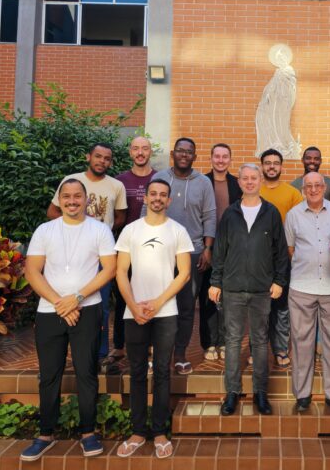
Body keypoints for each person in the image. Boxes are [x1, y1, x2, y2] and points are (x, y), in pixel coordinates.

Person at [21, 178, 116, 462]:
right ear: (59, 200)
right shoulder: (44, 230)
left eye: (78, 196)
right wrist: (60, 303)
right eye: (67, 196)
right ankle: (45, 434)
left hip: (87, 309)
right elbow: (32, 271)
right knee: (49, 375)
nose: (72, 201)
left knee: (87, 372)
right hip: (50, 311)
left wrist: (76, 298)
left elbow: (109, 270)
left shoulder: (100, 230)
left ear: (86, 200)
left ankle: (88, 432)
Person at [114, 180, 193, 460]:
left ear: (169, 201)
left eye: (163, 195)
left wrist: (158, 302)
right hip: (133, 312)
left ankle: (159, 432)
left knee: (161, 371)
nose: (158, 199)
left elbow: (183, 273)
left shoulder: (178, 231)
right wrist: (133, 305)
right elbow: (121, 271)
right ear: (145, 198)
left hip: (166, 313)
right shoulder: (130, 230)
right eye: (153, 194)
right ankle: (137, 431)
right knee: (136, 372)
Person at [209, 164, 289, 417]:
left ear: (260, 180)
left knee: (259, 341)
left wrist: (279, 281)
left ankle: (260, 393)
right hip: (232, 288)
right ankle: (232, 392)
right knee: (232, 342)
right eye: (245, 178)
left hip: (261, 290)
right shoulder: (230, 213)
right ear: (240, 182)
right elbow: (219, 250)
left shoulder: (271, 213)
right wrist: (216, 281)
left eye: (254, 178)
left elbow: (281, 251)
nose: (250, 182)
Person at [47, 143, 127, 366]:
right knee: (66, 299)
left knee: (99, 306)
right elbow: (53, 211)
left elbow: (120, 217)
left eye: (107, 158)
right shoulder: (71, 180)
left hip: (101, 255)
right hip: (70, 252)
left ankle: (98, 354)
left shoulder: (116, 186)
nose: (102, 161)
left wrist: (100, 231)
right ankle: (61, 355)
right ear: (88, 157)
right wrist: (74, 228)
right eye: (98, 156)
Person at [151, 137, 216, 375]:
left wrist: (208, 248)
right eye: (180, 150)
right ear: (173, 153)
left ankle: (179, 354)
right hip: (159, 251)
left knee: (187, 306)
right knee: (159, 302)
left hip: (192, 252)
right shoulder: (159, 179)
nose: (185, 155)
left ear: (195, 156)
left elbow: (209, 216)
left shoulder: (203, 182)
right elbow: (144, 212)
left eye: (189, 152)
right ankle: (158, 352)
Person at [284, 172, 330, 413]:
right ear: (302, 188)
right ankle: (302, 394)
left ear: (324, 187)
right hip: (301, 287)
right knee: (301, 343)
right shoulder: (293, 215)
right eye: (308, 186)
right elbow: (291, 249)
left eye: (317, 185)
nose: (312, 190)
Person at [106, 136, 157, 370]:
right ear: (130, 152)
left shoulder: (160, 178)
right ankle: (119, 344)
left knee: (149, 292)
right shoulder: (119, 181)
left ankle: (150, 343)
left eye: (144, 149)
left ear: (150, 152)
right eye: (136, 148)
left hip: (153, 248)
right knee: (123, 293)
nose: (140, 152)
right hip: (126, 247)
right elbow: (116, 216)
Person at [259, 148, 302, 369]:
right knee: (260, 307)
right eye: (268, 163)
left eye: (276, 163)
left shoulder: (292, 193)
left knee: (281, 308)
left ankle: (281, 349)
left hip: (283, 259)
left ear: (281, 166)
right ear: (262, 166)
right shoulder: (254, 192)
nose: (272, 166)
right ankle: (259, 349)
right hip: (258, 260)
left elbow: (298, 226)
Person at [200, 143, 242, 361]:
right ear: (211, 159)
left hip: (232, 249)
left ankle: (225, 341)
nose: (220, 160)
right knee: (208, 297)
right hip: (207, 247)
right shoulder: (201, 182)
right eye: (217, 156)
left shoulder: (237, 184)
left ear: (230, 160)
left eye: (225, 156)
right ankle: (209, 343)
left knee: (228, 298)